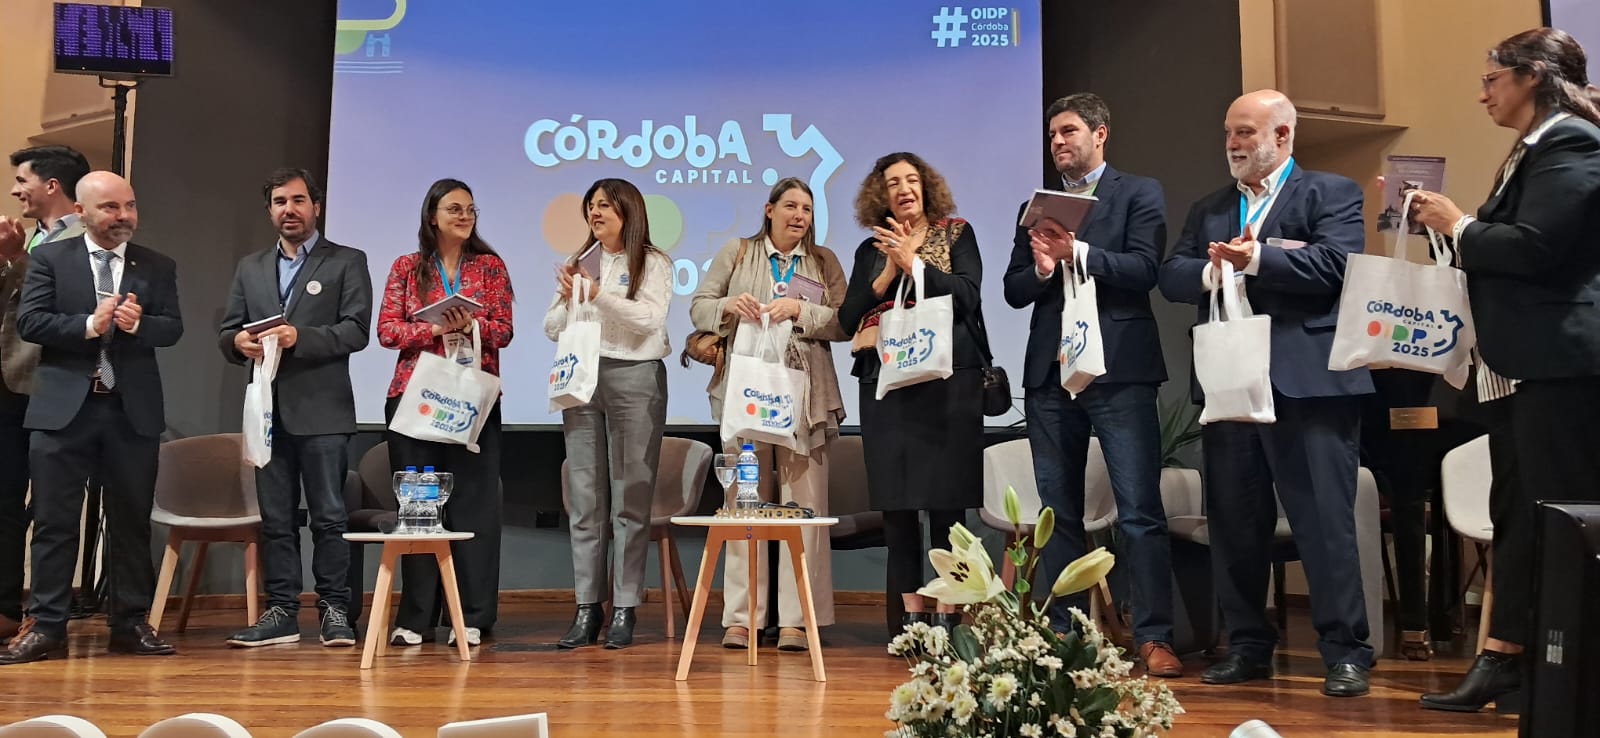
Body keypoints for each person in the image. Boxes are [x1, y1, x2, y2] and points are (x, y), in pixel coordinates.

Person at [1406, 27, 1600, 714]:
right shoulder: (1534, 147)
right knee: (1517, 514)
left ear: (1533, 76)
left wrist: (1458, 224)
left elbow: (1537, 247)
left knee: (1557, 519)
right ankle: (1507, 660)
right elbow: (1504, 249)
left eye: (1492, 79)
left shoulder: (1574, 142)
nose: (1482, 93)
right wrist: (1446, 230)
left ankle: (1565, 674)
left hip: (1560, 365)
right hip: (1519, 366)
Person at [1156, 90, 1375, 697]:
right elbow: (1172, 274)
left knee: (1324, 521)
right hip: (1229, 382)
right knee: (1234, 524)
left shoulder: (1330, 193)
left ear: (1283, 136)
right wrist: (1214, 270)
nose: (1233, 143)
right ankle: (1248, 647)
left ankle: (1346, 652)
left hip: (1309, 385)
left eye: (1246, 132)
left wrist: (1255, 259)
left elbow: (1337, 266)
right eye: (1229, 132)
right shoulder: (1210, 207)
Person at [1002, 94, 1180, 677]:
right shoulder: (1036, 207)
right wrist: (1042, 269)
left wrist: (1077, 252)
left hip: (1118, 370)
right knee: (1058, 512)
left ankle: (1153, 636)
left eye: (1069, 131)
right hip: (1050, 375)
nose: (1058, 141)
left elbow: (1145, 270)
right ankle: (1067, 633)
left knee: (1139, 510)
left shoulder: (1138, 192)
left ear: (1100, 134)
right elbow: (1013, 289)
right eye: (1052, 133)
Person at [0, 171, 183, 664]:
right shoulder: (49, 259)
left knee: (131, 521)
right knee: (54, 522)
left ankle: (129, 624)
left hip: (130, 411)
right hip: (62, 410)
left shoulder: (156, 264)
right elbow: (31, 322)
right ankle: (47, 627)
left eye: (130, 205)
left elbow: (173, 328)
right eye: (110, 207)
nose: (124, 216)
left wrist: (140, 324)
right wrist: (88, 324)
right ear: (81, 211)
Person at [689, 177, 848, 651]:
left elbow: (845, 321)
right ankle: (744, 617)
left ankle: (798, 619)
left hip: (805, 400)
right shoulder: (738, 252)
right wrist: (728, 306)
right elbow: (699, 308)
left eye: (807, 208)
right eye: (791, 206)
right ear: (769, 209)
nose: (799, 215)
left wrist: (801, 310)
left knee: (805, 508)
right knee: (745, 505)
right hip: (747, 394)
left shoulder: (823, 261)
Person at [217, 168, 372, 648]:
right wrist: (238, 342)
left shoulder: (346, 261)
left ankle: (334, 610)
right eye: (280, 202)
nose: (290, 209)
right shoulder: (251, 267)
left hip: (324, 412)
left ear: (316, 207)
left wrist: (298, 337)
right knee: (276, 519)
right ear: (270, 211)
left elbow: (356, 331)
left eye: (299, 200)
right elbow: (228, 331)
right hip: (267, 412)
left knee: (329, 517)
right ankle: (281, 611)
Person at [837, 153, 988, 640]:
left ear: (926, 188)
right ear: (880, 195)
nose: (904, 189)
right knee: (898, 513)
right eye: (893, 183)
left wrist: (915, 265)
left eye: (911, 180)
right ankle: (908, 626)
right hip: (887, 389)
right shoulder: (869, 249)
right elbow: (847, 319)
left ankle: (950, 623)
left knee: (948, 512)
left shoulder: (957, 234)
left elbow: (968, 295)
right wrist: (886, 272)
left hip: (949, 386)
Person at [377, 179, 514, 648]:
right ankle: (416, 618)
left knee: (475, 505)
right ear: (432, 216)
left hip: (472, 399)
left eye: (471, 209)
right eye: (454, 208)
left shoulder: (490, 266)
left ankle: (472, 616)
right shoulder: (407, 267)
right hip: (414, 396)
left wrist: (473, 323)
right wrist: (433, 328)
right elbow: (388, 332)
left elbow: (504, 331)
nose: (464, 216)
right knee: (419, 507)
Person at [543, 178, 671, 650]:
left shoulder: (653, 262)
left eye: (604, 206)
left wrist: (596, 295)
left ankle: (625, 606)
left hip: (635, 376)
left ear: (628, 212)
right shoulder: (581, 260)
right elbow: (551, 326)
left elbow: (650, 320)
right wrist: (569, 298)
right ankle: (586, 606)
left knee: (630, 497)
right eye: (591, 206)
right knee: (585, 497)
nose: (595, 213)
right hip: (581, 375)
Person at [0, 145, 90, 640]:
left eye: (22, 180)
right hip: (11, 383)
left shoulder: (83, 238)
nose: (16, 191)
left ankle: (45, 612)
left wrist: (17, 259)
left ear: (51, 185)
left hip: (53, 387)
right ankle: (5, 607)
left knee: (52, 508)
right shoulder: (33, 237)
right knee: (6, 501)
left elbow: (64, 302)